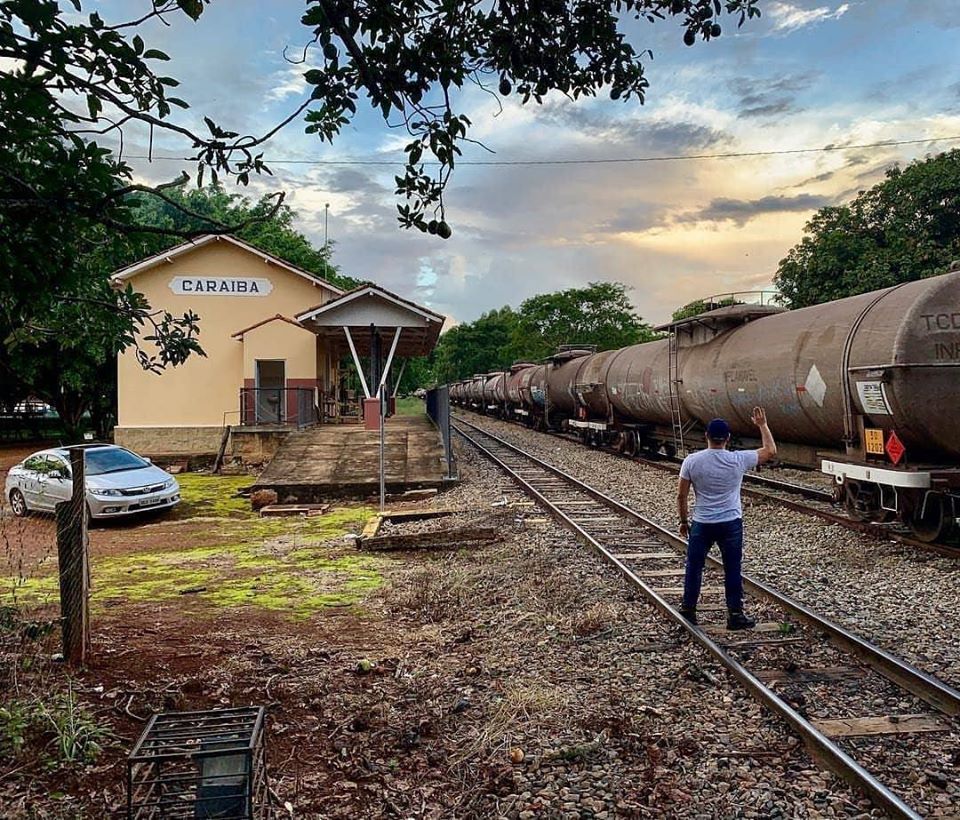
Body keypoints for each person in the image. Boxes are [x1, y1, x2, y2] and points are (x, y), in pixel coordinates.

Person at [676, 407, 777, 630]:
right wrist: (762, 425)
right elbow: (770, 451)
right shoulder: (738, 459)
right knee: (732, 569)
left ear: (706, 436)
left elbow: (681, 495)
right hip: (731, 523)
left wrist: (683, 521)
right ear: (728, 438)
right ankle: (735, 615)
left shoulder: (691, 461)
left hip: (702, 523)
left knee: (694, 567)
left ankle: (688, 610)